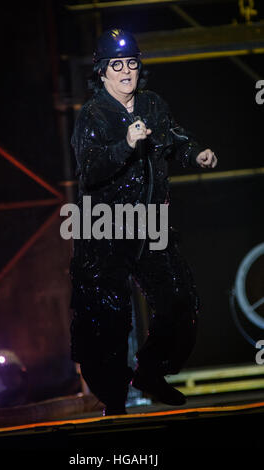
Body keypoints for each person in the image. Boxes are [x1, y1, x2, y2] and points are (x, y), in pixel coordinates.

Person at [69, 28, 218, 416]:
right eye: (116, 65)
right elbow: (90, 170)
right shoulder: (93, 115)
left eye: (131, 63)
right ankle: (113, 398)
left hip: (150, 224)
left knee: (180, 301)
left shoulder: (152, 105)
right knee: (107, 318)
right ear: (102, 73)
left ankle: (151, 372)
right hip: (107, 228)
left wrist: (196, 153)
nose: (125, 71)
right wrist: (126, 144)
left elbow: (176, 139)